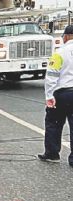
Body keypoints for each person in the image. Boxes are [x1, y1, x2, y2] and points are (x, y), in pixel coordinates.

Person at [38, 25, 73, 166]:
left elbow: (51, 76)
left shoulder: (60, 53)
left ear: (66, 36)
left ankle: (52, 154)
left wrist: (49, 97)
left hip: (62, 94)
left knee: (54, 123)